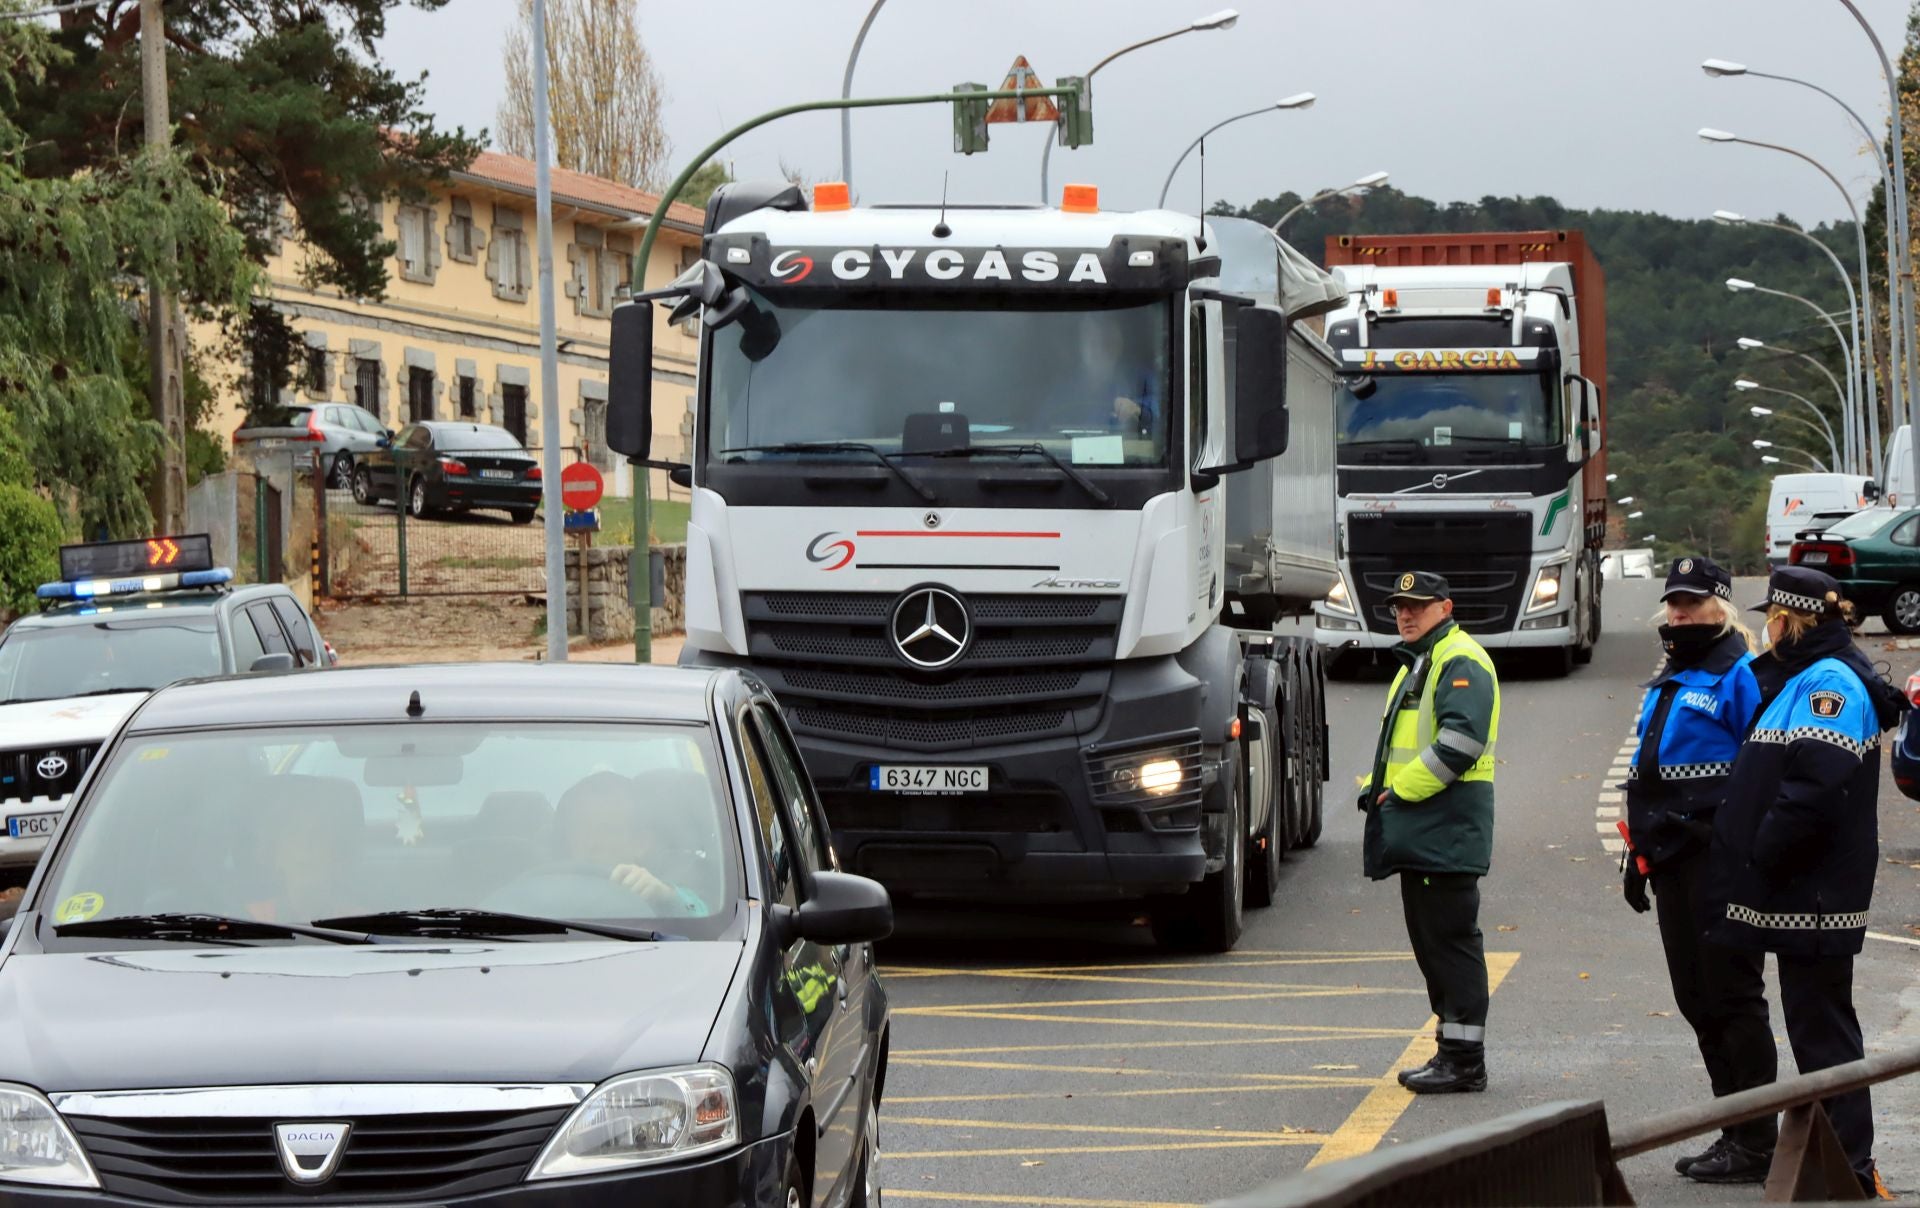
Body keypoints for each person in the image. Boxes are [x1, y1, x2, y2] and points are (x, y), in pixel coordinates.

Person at [1708, 566, 1907, 1199]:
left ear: (1791, 618)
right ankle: (1836, 1161)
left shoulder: (1829, 683)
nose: (1765, 627)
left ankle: (1847, 1165)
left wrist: (1760, 853)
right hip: (1804, 893)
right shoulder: (1807, 676)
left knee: (1825, 1035)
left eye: (1772, 615)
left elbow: (1814, 791)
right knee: (1815, 1030)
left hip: (1814, 896)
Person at [1620, 556, 1777, 1184]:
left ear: (1722, 607)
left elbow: (1762, 770)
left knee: (1733, 998)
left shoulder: (1740, 674)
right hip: (1671, 863)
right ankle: (1734, 1129)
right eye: (1674, 605)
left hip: (1718, 862)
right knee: (1696, 1001)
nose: (1680, 614)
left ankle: (1758, 1138)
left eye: (1693, 604)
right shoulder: (1674, 674)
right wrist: (1638, 856)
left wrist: (1728, 839)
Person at [1357, 571, 1499, 1094]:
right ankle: (1454, 1053)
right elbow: (1405, 742)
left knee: (1450, 944)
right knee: (1435, 944)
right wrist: (1378, 786)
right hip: (1429, 826)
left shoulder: (1458, 659)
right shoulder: (1423, 660)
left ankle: (1464, 1061)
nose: (1406, 614)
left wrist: (1400, 792)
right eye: (1399, 606)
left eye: (1418, 606)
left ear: (1446, 607)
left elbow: (1460, 744)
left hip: (1446, 823)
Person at [554, 770, 709, 917]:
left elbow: (705, 923)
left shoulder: (656, 894)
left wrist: (667, 897)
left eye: (605, 830)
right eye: (580, 829)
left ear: (640, 843)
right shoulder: (543, 891)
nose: (589, 843)